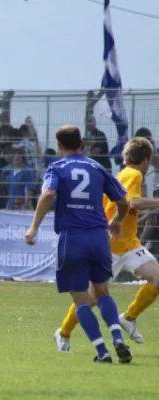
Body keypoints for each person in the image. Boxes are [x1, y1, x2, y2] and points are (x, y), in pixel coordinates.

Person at [24, 125, 132, 364]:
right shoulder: (97, 167)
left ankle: (103, 352)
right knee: (102, 292)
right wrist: (116, 221)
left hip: (72, 237)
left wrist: (33, 228)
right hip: (98, 237)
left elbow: (48, 194)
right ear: (81, 143)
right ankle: (118, 338)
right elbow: (123, 202)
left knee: (82, 300)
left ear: (60, 145)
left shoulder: (57, 167)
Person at [54, 137, 159, 350]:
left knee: (157, 277)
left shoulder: (122, 174)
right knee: (91, 299)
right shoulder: (134, 174)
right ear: (146, 159)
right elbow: (133, 202)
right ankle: (63, 332)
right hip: (110, 246)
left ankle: (128, 318)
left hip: (128, 244)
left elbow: (126, 207)